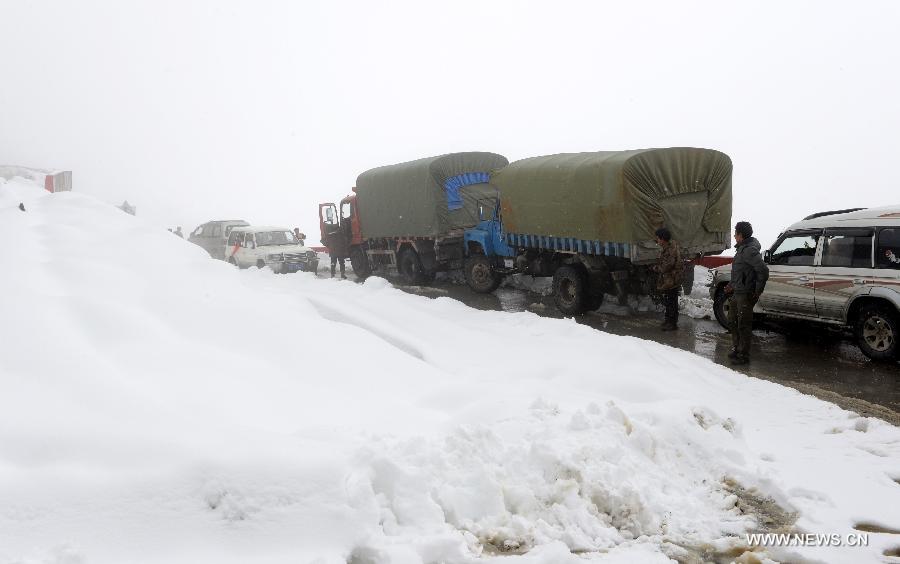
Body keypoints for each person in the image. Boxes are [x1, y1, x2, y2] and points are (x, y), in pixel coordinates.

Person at [725, 221, 769, 365]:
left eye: (735, 233)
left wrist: (757, 291)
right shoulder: (741, 249)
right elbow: (740, 272)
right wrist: (731, 285)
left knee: (743, 324)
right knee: (733, 320)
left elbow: (763, 270)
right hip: (737, 292)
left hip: (745, 294)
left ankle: (743, 355)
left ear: (741, 235)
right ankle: (737, 349)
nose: (734, 236)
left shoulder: (749, 250)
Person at [652, 227, 684, 331]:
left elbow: (667, 265)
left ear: (663, 239)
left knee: (671, 301)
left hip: (672, 279)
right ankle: (668, 320)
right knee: (670, 300)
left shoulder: (671, 250)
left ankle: (672, 323)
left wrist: (656, 268)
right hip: (670, 278)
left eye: (658, 238)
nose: (657, 241)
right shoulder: (668, 247)